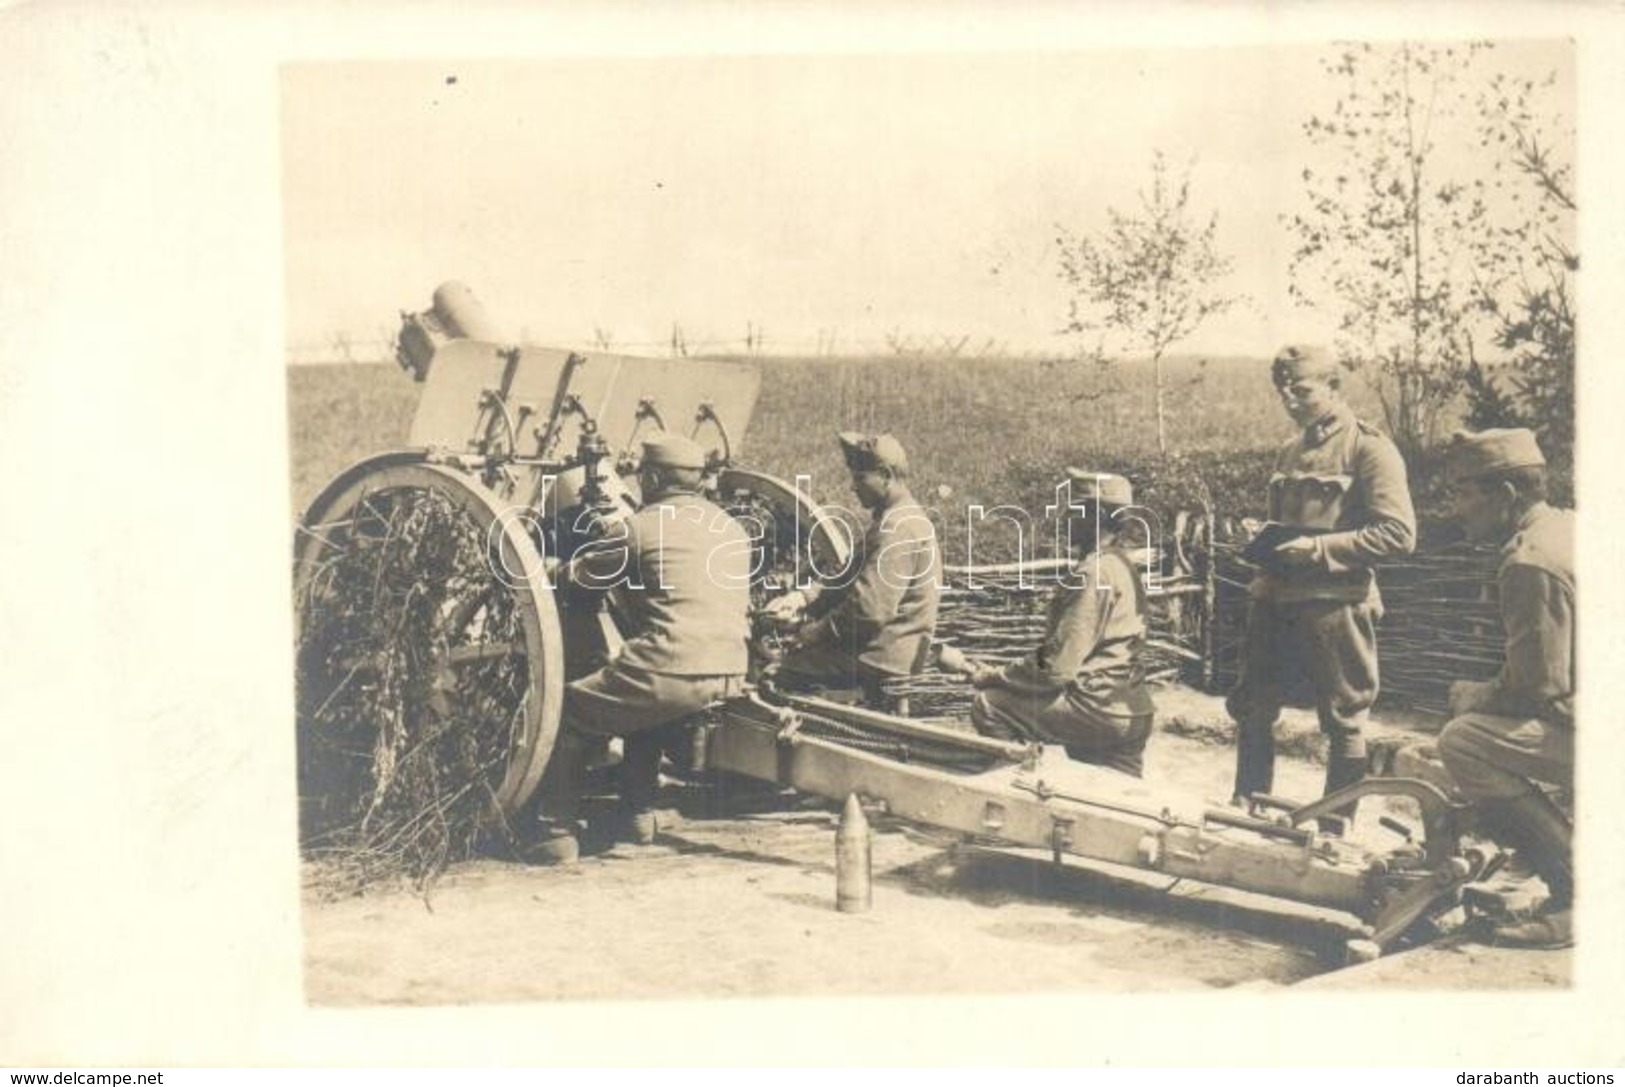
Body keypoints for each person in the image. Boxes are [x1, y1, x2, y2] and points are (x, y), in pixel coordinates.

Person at [520, 433, 753, 862]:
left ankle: (554, 834)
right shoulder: (731, 528)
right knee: (642, 707)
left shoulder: (641, 528)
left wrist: (547, 567)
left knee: (567, 710)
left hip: (671, 666)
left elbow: (581, 576)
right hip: (732, 667)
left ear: (652, 476)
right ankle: (636, 816)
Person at [1227, 344, 1416, 827]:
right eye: (1281, 389)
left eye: (1301, 388)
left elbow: (1398, 534)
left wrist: (1318, 550)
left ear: (1333, 386)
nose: (1289, 398)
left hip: (1335, 605)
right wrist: (1259, 537)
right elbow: (1286, 524)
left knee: (1345, 718)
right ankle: (1246, 809)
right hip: (1275, 599)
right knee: (1253, 706)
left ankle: (1336, 825)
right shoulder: (1291, 449)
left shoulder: (1368, 448)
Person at [1436, 428, 1574, 949]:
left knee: (1463, 741)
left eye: (1464, 492)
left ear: (1506, 495)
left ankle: (1582, 890)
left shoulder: (1529, 562)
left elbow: (1542, 684)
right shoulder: (1569, 528)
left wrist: (1477, 695)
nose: (1457, 508)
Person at [947, 470, 1156, 777]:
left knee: (989, 706)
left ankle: (1019, 787)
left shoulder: (1093, 574)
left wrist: (995, 676)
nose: (1065, 518)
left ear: (1096, 516)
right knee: (1120, 799)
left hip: (1097, 710)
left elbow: (1057, 668)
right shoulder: (1121, 564)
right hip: (1133, 710)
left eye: (1074, 511)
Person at [766, 432, 942, 709]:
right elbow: (848, 575)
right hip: (881, 649)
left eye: (860, 478)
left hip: (881, 657)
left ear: (884, 475)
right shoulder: (894, 518)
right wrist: (802, 598)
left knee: (774, 671)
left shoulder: (899, 528)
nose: (852, 487)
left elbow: (869, 611)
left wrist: (813, 632)